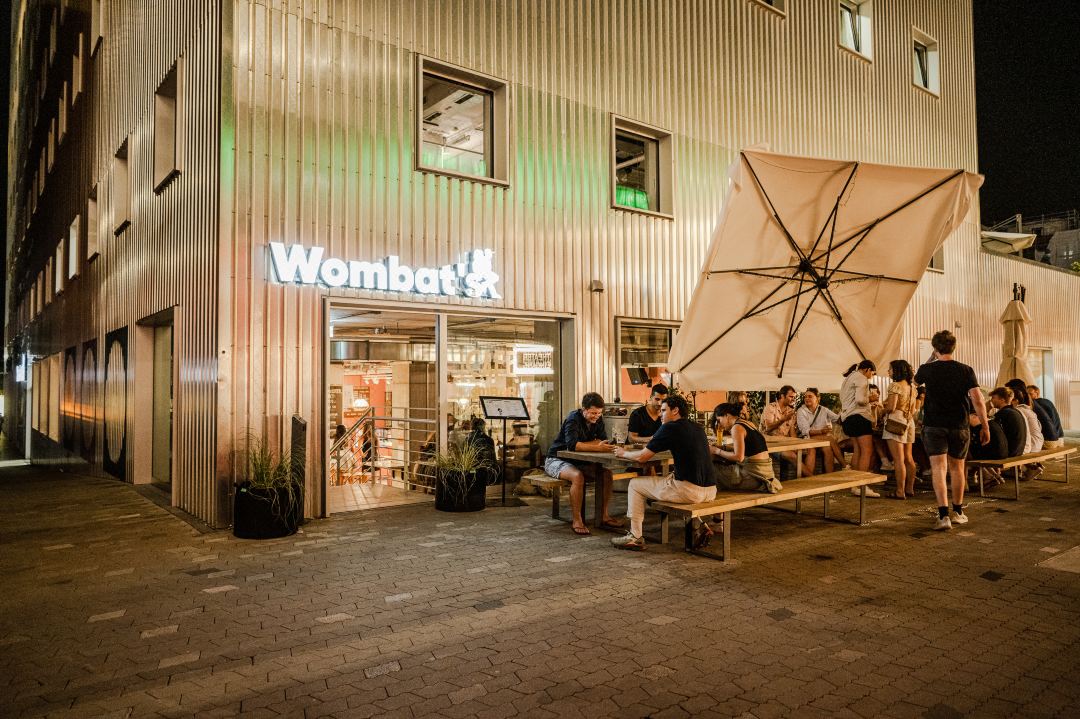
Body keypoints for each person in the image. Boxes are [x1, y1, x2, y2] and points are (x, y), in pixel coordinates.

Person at [609, 395, 717, 551]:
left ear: (675, 410)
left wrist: (622, 453)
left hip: (689, 492)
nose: (660, 414)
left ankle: (635, 536)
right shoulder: (698, 428)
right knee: (667, 479)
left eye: (664, 410)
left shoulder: (670, 427)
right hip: (710, 491)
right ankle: (699, 524)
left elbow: (642, 457)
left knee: (634, 484)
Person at [915, 330, 989, 530]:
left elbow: (914, 382)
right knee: (957, 468)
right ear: (954, 347)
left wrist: (930, 359)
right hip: (959, 425)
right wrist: (985, 426)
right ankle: (958, 512)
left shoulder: (926, 369)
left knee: (939, 468)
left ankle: (943, 516)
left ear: (935, 348)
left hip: (933, 425)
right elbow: (978, 399)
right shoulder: (966, 370)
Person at [543, 392, 623, 536]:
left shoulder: (599, 419)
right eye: (593, 413)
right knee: (577, 476)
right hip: (556, 460)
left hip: (578, 461)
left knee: (607, 474)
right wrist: (595, 445)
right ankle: (577, 520)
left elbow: (603, 441)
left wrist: (591, 445)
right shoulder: (573, 419)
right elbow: (572, 445)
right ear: (583, 409)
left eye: (599, 413)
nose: (596, 416)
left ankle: (604, 515)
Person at [710, 402, 783, 494]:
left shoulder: (736, 428)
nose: (719, 425)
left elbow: (738, 457)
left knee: (712, 469)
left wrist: (716, 451)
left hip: (754, 477)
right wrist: (723, 448)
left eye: (719, 420)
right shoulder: (748, 423)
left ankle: (715, 499)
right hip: (765, 474)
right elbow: (749, 449)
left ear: (727, 416)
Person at [840, 360, 882, 497]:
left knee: (857, 450)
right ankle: (861, 485)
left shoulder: (849, 377)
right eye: (872, 373)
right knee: (867, 451)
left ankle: (854, 485)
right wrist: (871, 398)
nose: (871, 377)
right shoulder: (861, 378)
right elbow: (860, 400)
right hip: (859, 417)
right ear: (867, 369)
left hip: (847, 418)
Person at [881, 360, 918, 499]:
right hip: (909, 421)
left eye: (890, 369)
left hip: (895, 420)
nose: (888, 371)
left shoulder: (895, 386)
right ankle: (909, 489)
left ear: (897, 370)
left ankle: (899, 491)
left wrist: (881, 411)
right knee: (909, 458)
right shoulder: (912, 387)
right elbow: (913, 410)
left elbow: (891, 407)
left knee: (898, 459)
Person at [795, 388, 841, 475]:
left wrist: (846, 411)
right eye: (805, 397)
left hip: (822, 439)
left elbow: (838, 419)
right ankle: (844, 465)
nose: (807, 398)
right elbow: (805, 431)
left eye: (810, 396)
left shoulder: (824, 410)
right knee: (828, 440)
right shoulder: (801, 411)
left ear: (818, 398)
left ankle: (829, 476)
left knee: (827, 448)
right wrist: (821, 431)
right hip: (807, 438)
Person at [1004, 379, 1044, 480]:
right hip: (1039, 442)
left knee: (1011, 440)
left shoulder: (1016, 411)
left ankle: (1027, 468)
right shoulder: (1028, 408)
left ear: (1015, 399)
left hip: (1031, 445)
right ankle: (1025, 467)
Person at [761, 385, 800, 475]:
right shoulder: (770, 407)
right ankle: (811, 478)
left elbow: (792, 433)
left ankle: (799, 479)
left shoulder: (790, 411)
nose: (793, 399)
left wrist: (797, 446)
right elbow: (768, 427)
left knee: (800, 453)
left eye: (794, 397)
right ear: (782, 396)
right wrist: (784, 419)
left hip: (784, 442)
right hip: (769, 443)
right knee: (792, 456)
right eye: (791, 396)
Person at [1028, 385, 1065, 449]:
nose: (1028, 396)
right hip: (1060, 438)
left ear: (1037, 393)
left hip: (1049, 440)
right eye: (1027, 394)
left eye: (1030, 394)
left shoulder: (1035, 404)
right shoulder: (1048, 401)